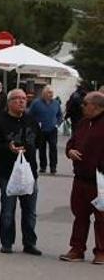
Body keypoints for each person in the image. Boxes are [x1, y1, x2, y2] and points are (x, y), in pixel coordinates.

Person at [0, 89, 42, 256]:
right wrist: (7, 148)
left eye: (24, 99)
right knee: (8, 208)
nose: (21, 102)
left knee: (30, 210)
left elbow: (38, 141)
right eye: (17, 99)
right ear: (9, 102)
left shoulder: (31, 120)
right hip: (7, 172)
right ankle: (7, 242)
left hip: (29, 172)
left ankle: (29, 243)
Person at [59, 91, 104, 264]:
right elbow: (72, 142)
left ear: (97, 106)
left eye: (85, 103)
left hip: (100, 179)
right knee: (80, 215)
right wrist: (69, 151)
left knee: (101, 218)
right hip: (80, 178)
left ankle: (101, 251)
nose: (82, 106)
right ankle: (77, 249)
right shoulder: (83, 123)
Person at [27, 85, 62, 175]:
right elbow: (30, 115)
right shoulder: (36, 103)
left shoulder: (56, 103)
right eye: (49, 93)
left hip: (52, 129)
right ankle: (43, 166)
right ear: (44, 93)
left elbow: (60, 115)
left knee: (53, 148)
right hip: (40, 130)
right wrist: (35, 124)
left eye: (52, 93)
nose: (51, 94)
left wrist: (57, 124)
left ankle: (53, 167)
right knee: (42, 148)